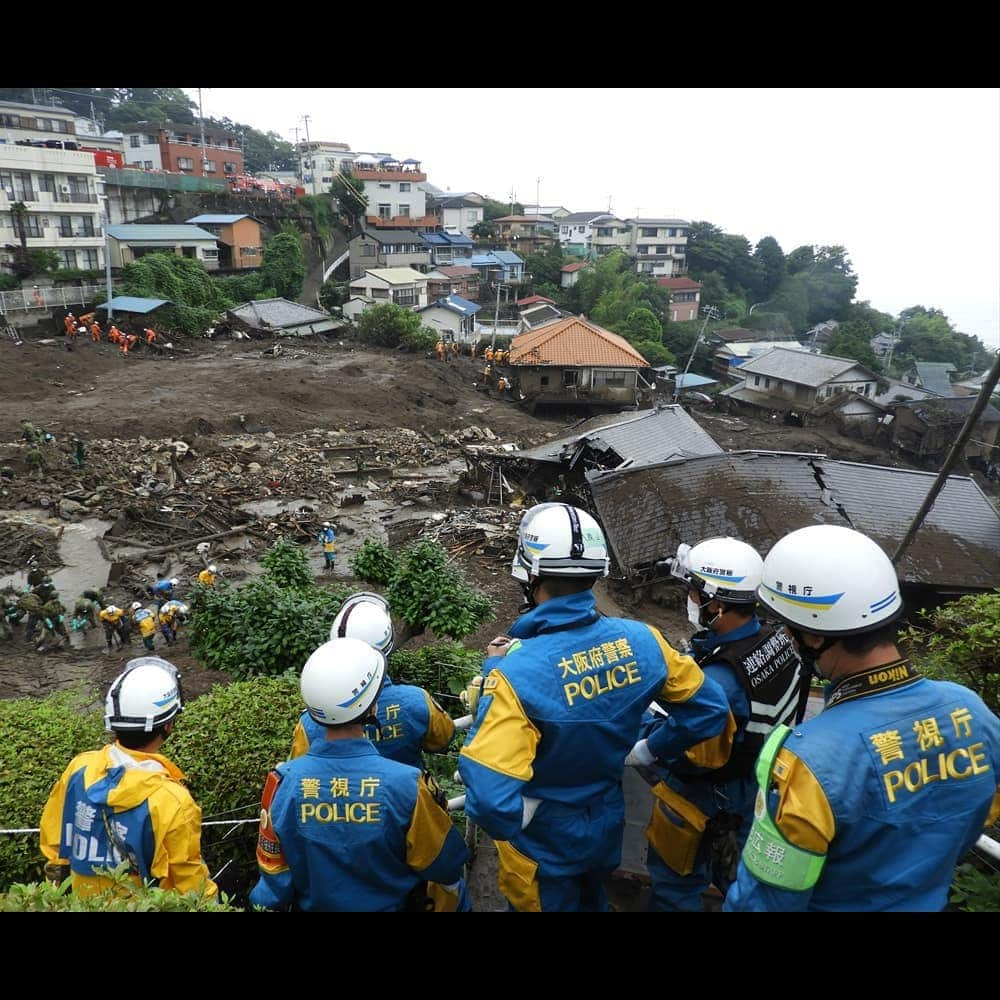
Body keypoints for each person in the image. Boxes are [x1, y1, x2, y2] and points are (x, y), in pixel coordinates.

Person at [457, 502, 732, 912]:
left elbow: (491, 800)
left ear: (530, 575)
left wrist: (525, 816)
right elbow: (709, 709)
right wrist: (650, 749)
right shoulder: (643, 641)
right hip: (603, 823)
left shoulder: (516, 677)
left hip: (544, 846)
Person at [724, 524, 1000, 912]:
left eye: (785, 628)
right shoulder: (971, 710)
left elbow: (766, 899)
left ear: (815, 637)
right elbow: (976, 815)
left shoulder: (807, 762)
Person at [631, 536, 806, 912]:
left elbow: (691, 755)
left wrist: (647, 737)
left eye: (694, 595)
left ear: (717, 605)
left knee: (675, 884)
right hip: (754, 783)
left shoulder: (720, 684)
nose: (690, 601)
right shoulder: (777, 640)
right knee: (734, 873)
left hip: (706, 793)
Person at [249, 637, 469, 912]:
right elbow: (445, 863)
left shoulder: (281, 784)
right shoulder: (408, 785)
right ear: (372, 706)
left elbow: (272, 887)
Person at [39, 656, 217, 900]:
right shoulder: (171, 800)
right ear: (168, 726)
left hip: (82, 903)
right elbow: (190, 882)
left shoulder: (79, 768)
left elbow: (55, 841)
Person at [289, 593, 455, 769]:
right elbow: (442, 740)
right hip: (407, 792)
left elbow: (298, 767)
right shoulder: (416, 701)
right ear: (388, 643)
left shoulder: (312, 720)